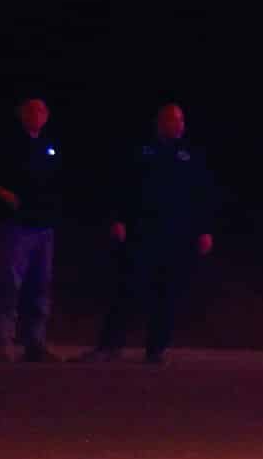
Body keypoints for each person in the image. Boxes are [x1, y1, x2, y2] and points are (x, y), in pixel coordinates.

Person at [93, 102, 217, 363]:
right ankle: (109, 345)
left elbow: (202, 194)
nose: (180, 124)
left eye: (182, 120)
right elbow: (124, 186)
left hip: (176, 234)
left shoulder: (190, 154)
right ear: (161, 122)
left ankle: (156, 349)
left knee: (168, 293)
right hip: (142, 231)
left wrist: (204, 230)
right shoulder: (142, 150)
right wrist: (118, 219)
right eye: (174, 120)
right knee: (128, 287)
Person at [0, 96, 65, 362]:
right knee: (9, 285)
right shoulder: (8, 144)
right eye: (32, 110)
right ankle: (4, 342)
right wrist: (6, 195)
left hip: (44, 226)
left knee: (40, 286)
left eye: (41, 110)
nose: (37, 114)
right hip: (16, 226)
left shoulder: (48, 145)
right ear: (21, 114)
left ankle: (35, 343)